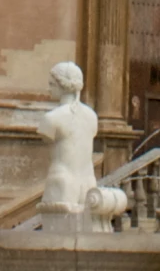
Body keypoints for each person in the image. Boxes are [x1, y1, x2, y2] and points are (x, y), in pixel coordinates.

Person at [37, 61, 100, 215]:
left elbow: (46, 135)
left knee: (56, 234)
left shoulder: (51, 118)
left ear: (62, 85)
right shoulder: (92, 116)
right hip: (88, 182)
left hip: (62, 181)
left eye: (52, 84)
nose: (48, 88)